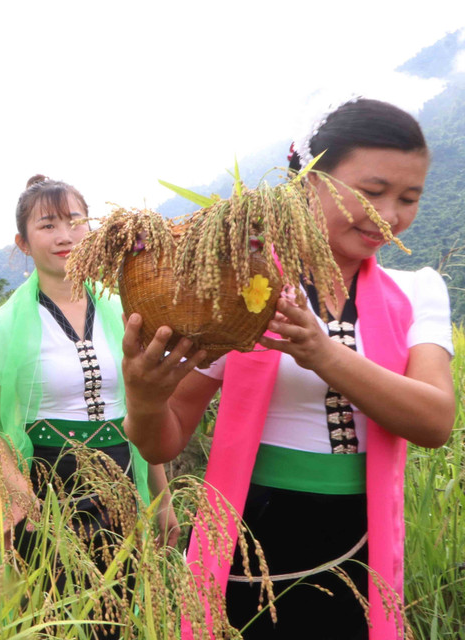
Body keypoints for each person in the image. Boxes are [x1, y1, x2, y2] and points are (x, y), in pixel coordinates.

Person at [121, 99, 455, 640]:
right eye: (371, 192)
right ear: (309, 183)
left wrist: (322, 353)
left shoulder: (418, 291)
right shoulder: (242, 293)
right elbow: (164, 440)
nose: (388, 216)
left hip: (361, 546)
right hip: (250, 539)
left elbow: (435, 420)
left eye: (408, 198)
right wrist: (144, 399)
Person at [0, 175, 177, 639]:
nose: (65, 235)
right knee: (53, 616)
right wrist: (17, 491)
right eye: (47, 225)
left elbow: (146, 410)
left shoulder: (127, 311)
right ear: (23, 242)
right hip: (47, 485)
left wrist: (161, 496)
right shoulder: (3, 327)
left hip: (124, 477)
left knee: (122, 613)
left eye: (74, 220)